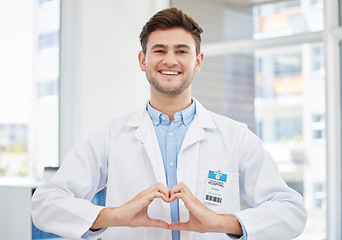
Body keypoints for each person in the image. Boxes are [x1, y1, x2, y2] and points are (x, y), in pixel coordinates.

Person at [31, 7, 307, 240]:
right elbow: (45, 204)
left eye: (182, 51)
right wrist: (115, 216)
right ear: (143, 60)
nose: (170, 60)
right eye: (159, 50)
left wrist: (222, 222)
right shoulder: (110, 135)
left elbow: (291, 211)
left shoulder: (235, 136)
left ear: (198, 62)